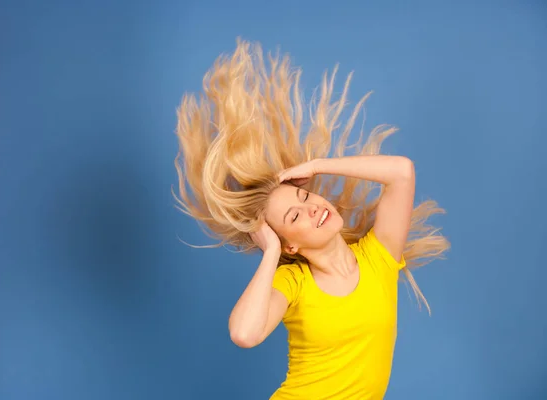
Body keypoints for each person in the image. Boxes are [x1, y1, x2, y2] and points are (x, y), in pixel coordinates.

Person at [173, 39, 450, 400]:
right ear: (291, 243)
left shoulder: (378, 258)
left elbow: (401, 171)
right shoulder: (293, 282)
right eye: (294, 215)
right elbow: (245, 334)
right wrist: (270, 251)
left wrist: (317, 165)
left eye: (306, 196)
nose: (312, 207)